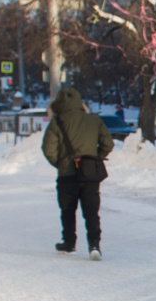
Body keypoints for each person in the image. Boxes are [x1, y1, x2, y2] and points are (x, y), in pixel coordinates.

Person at [41, 85, 113, 260]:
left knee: (67, 210)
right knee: (91, 211)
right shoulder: (93, 120)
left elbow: (48, 149)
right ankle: (94, 244)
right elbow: (108, 143)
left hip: (67, 175)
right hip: (89, 173)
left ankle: (69, 242)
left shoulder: (57, 123)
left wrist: (60, 164)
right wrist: (96, 157)